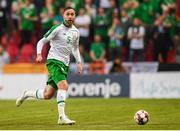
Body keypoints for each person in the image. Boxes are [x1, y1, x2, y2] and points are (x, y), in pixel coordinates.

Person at [16, 7, 83, 125]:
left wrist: (79, 62)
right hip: (54, 61)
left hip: (65, 64)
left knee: (48, 94)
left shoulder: (76, 32)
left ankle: (26, 94)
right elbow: (41, 41)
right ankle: (61, 117)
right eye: (68, 14)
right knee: (64, 86)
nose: (70, 16)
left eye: (72, 14)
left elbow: (75, 48)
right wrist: (38, 54)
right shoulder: (56, 29)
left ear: (75, 16)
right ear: (63, 15)